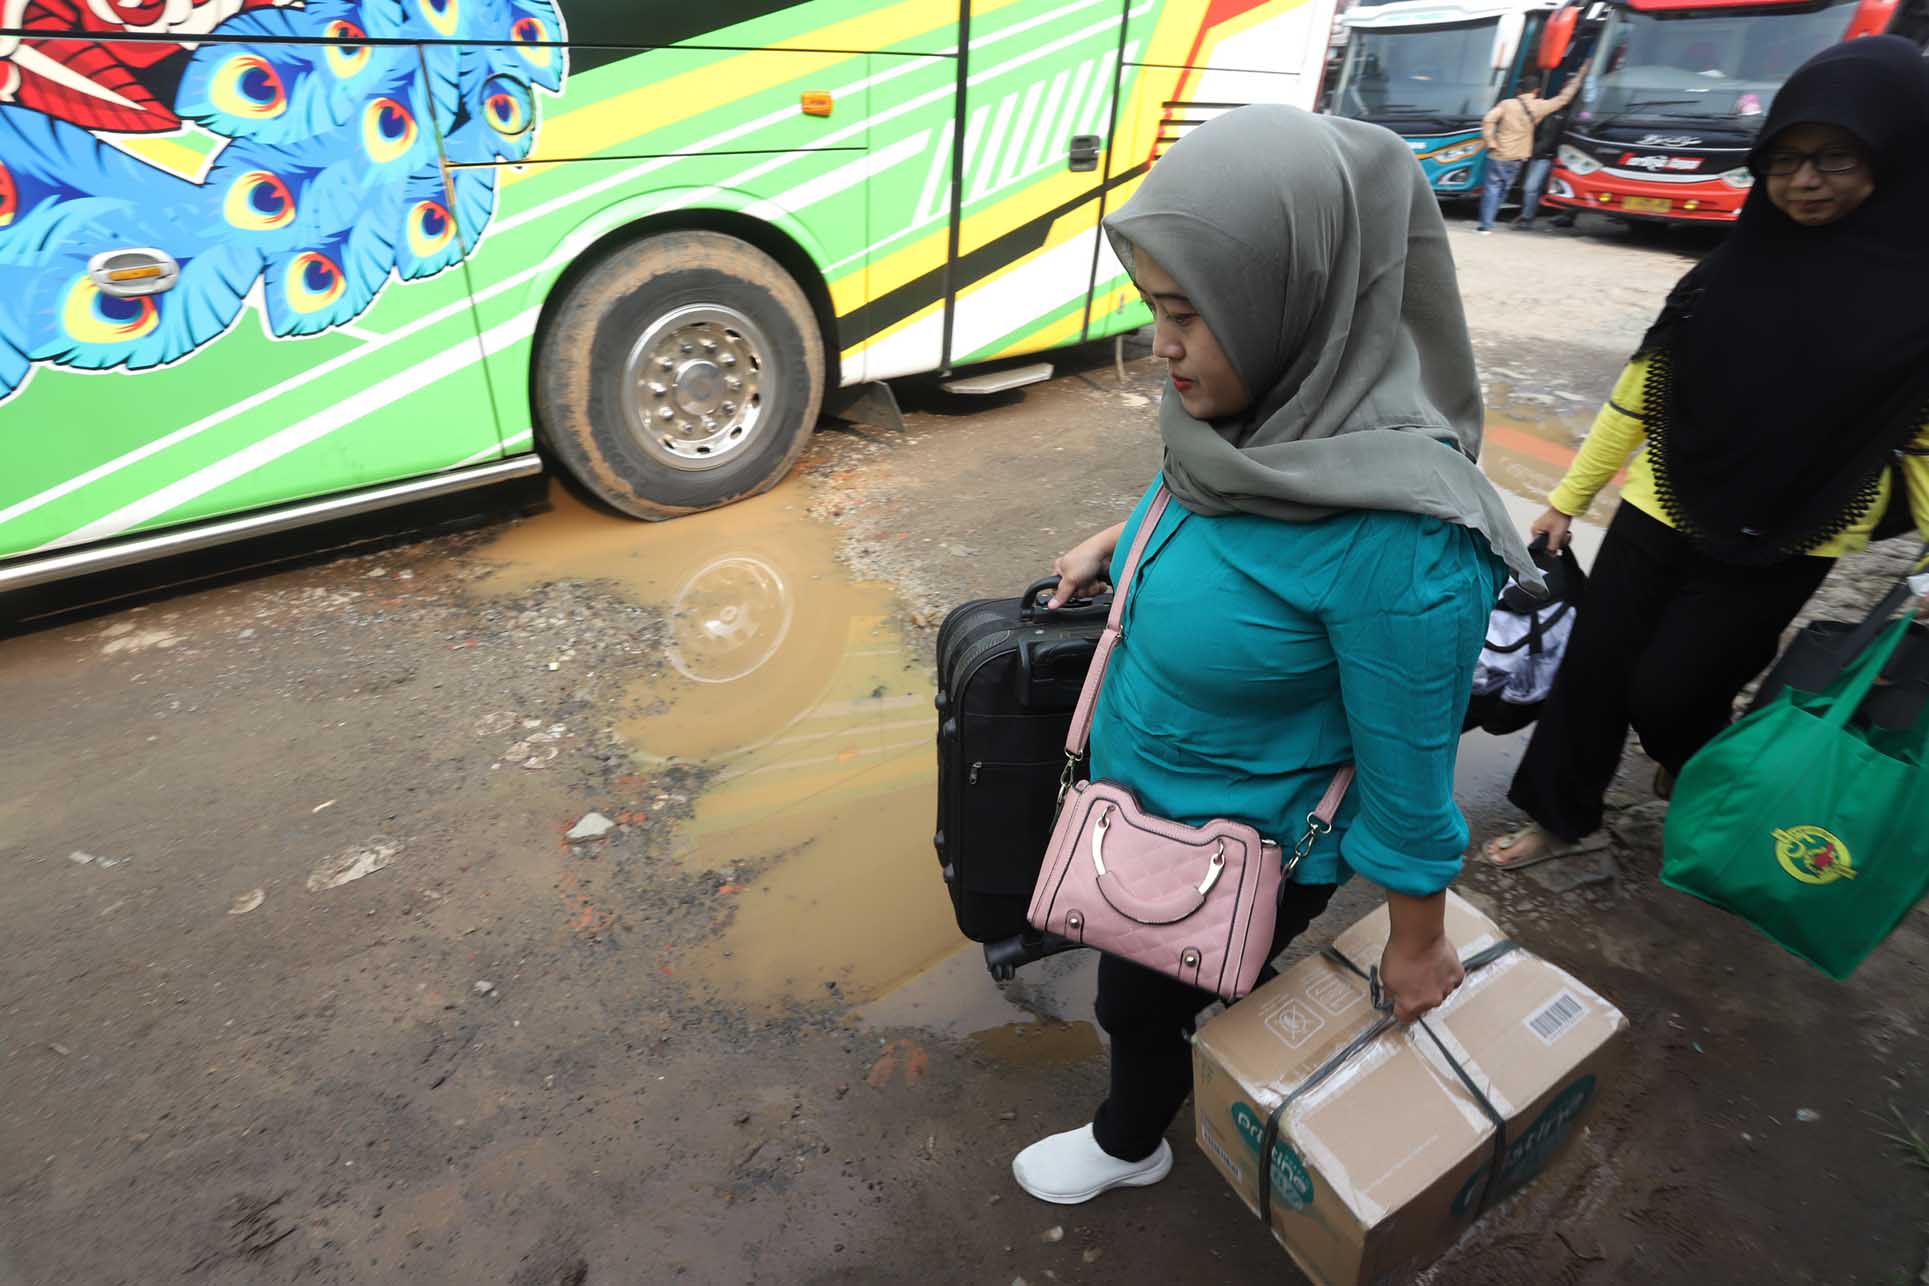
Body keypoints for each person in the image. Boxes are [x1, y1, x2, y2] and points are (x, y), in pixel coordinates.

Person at [1008, 104, 1540, 1206]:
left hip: (1233, 845)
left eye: (1190, 316)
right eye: (1154, 308)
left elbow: (1407, 777)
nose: (1162, 347)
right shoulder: (1248, 425)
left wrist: (1418, 943)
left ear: (1299, 305)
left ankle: (1129, 1139)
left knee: (1142, 1001)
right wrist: (1131, 537)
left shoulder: (1405, 536)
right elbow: (1206, 495)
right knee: (1145, 987)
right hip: (1144, 789)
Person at [1484, 36, 1929, 872]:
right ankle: (1559, 816)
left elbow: (1924, 447)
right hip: (1664, 499)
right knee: (1595, 669)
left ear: (1895, 154)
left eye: (1834, 157)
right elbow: (1642, 390)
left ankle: (1694, 761)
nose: (1803, 181)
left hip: (1797, 528)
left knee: (1675, 690)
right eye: (1785, 159)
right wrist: (1567, 499)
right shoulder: (1726, 270)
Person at [1478, 67, 1587, 233]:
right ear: (1536, 91)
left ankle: (1486, 224)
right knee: (1504, 189)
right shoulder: (1540, 106)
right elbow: (1563, 99)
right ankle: (1488, 221)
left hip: (1498, 153)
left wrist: (1490, 141)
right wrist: (1580, 76)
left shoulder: (1506, 104)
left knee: (1492, 188)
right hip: (1517, 157)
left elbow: (1488, 119)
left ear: (1519, 90)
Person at [1516, 95, 1576, 230]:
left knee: (1532, 188)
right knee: (1533, 188)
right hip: (1540, 155)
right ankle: (1528, 217)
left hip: (1548, 156)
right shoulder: (1548, 113)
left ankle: (1527, 219)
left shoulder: (1567, 116)